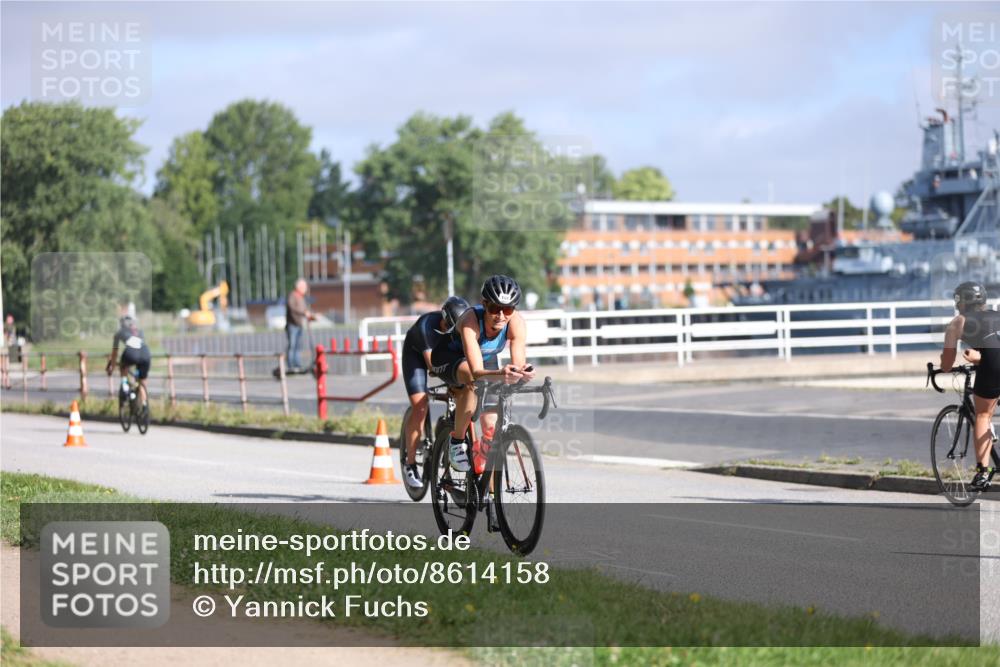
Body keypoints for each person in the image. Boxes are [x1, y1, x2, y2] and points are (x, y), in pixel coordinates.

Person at [431, 275, 535, 473]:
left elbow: (517, 363)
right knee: (471, 382)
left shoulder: (516, 323)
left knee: (490, 426)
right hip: (450, 355)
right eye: (495, 308)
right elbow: (478, 372)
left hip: (483, 359)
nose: (501, 316)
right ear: (484, 304)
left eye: (508, 309)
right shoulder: (471, 320)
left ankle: (483, 474)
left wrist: (522, 374)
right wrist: (501, 373)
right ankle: (457, 441)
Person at [400, 296, 471, 488]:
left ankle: (448, 446)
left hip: (444, 355)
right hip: (418, 356)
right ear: (444, 319)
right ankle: (411, 464)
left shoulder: (466, 326)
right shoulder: (427, 326)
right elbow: (434, 367)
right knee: (420, 405)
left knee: (464, 394)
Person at [941, 281, 1000, 490]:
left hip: (992, 363)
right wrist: (980, 359)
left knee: (983, 415)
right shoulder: (996, 314)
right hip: (990, 358)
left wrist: (941, 367)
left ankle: (982, 473)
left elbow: (947, 364)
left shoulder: (959, 322)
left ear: (961, 302)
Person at [106, 313, 152, 406]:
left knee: (123, 367)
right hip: (146, 353)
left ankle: (125, 386)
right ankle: (144, 405)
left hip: (131, 353)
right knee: (142, 381)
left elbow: (115, 353)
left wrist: (112, 365)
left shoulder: (119, 333)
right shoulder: (140, 331)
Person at [286, 278, 316, 372]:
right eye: (304, 287)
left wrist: (310, 314)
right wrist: (304, 313)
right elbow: (292, 308)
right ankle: (291, 365)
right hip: (292, 324)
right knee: (292, 345)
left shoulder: (301, 297)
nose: (306, 288)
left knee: (298, 345)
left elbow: (305, 309)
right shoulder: (292, 295)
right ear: (299, 287)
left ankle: (297, 364)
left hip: (299, 324)